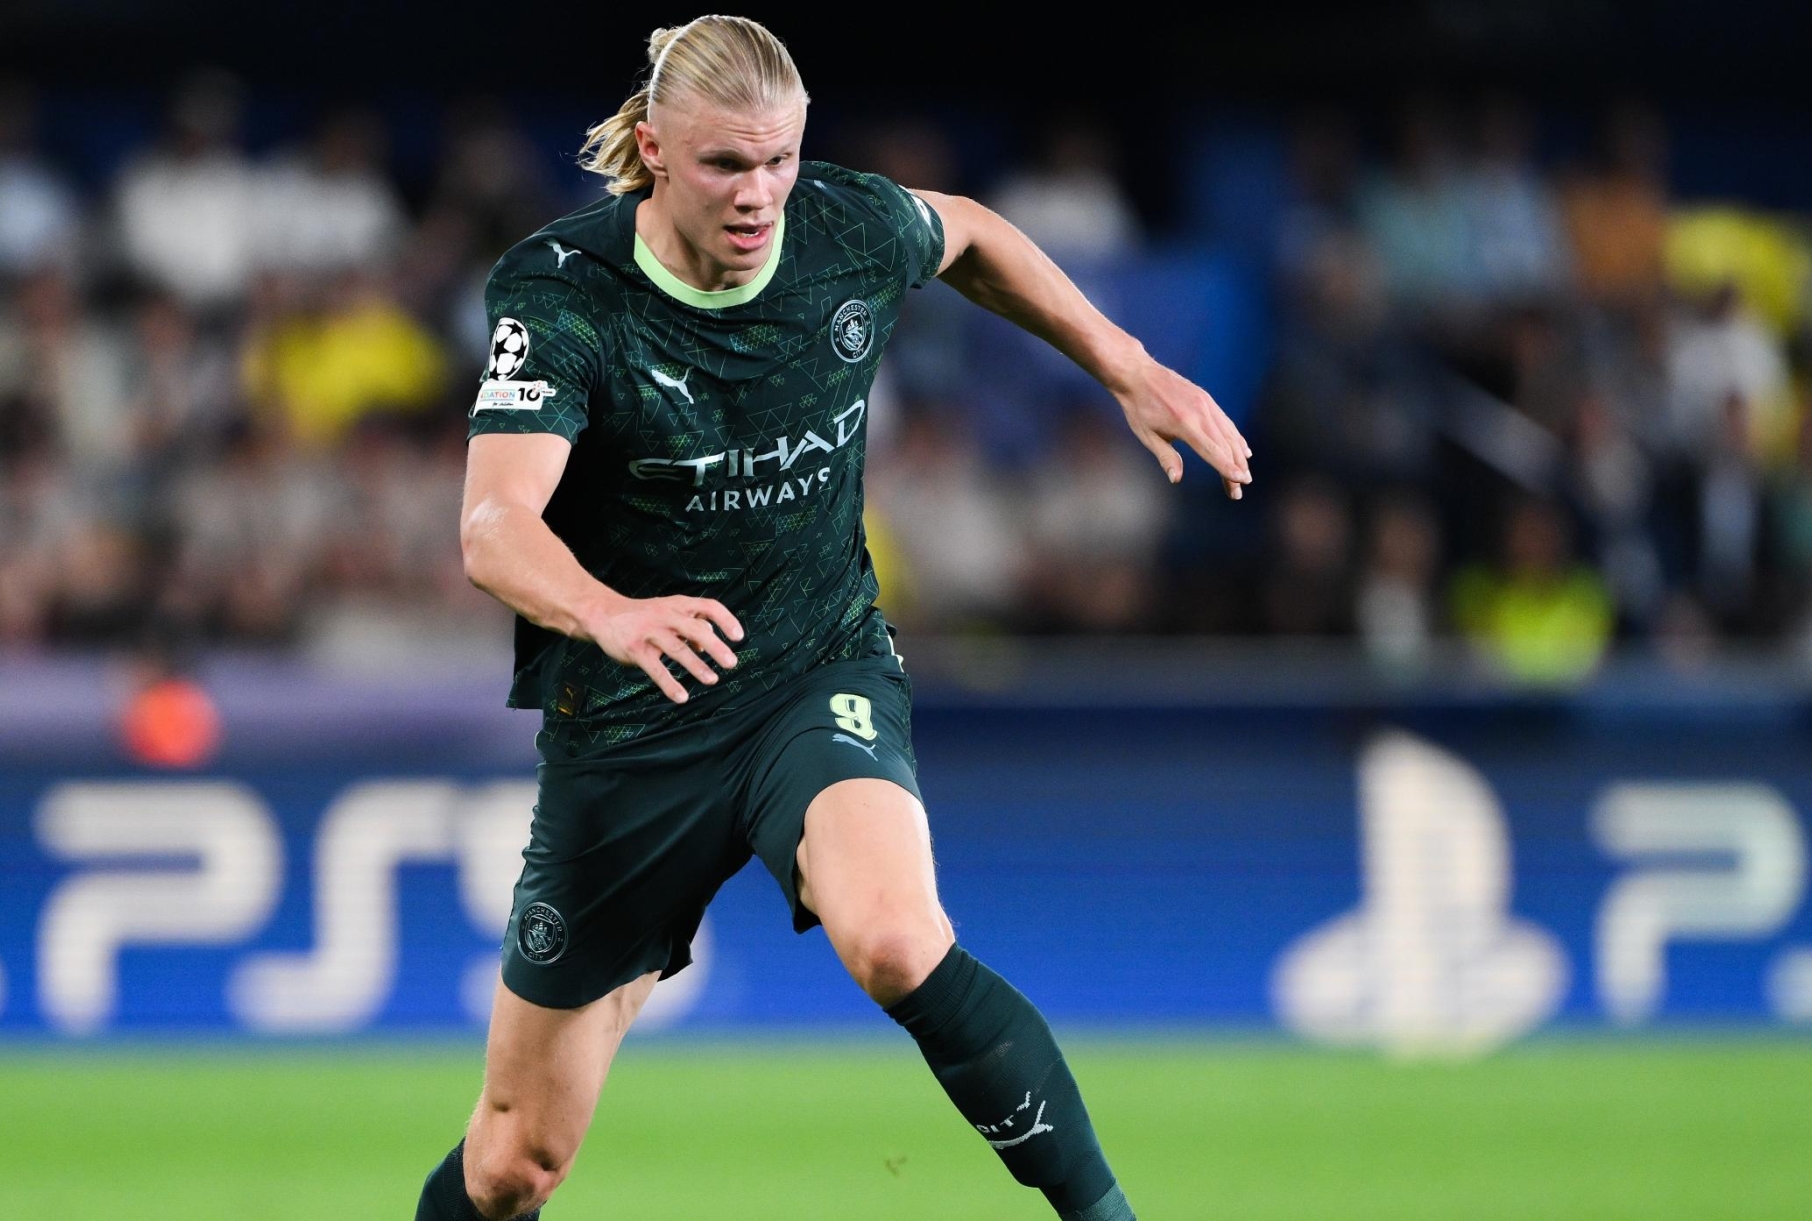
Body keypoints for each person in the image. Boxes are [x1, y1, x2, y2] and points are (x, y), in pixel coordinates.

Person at [428, 16, 1250, 1221]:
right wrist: (611, 614)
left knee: (895, 937)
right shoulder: (563, 293)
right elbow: (494, 526)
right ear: (653, 148)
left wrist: (1124, 363)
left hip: (811, 670)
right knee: (513, 1168)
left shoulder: (842, 230)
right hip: (627, 725)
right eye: (725, 165)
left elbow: (968, 230)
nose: (761, 194)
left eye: (780, 160)